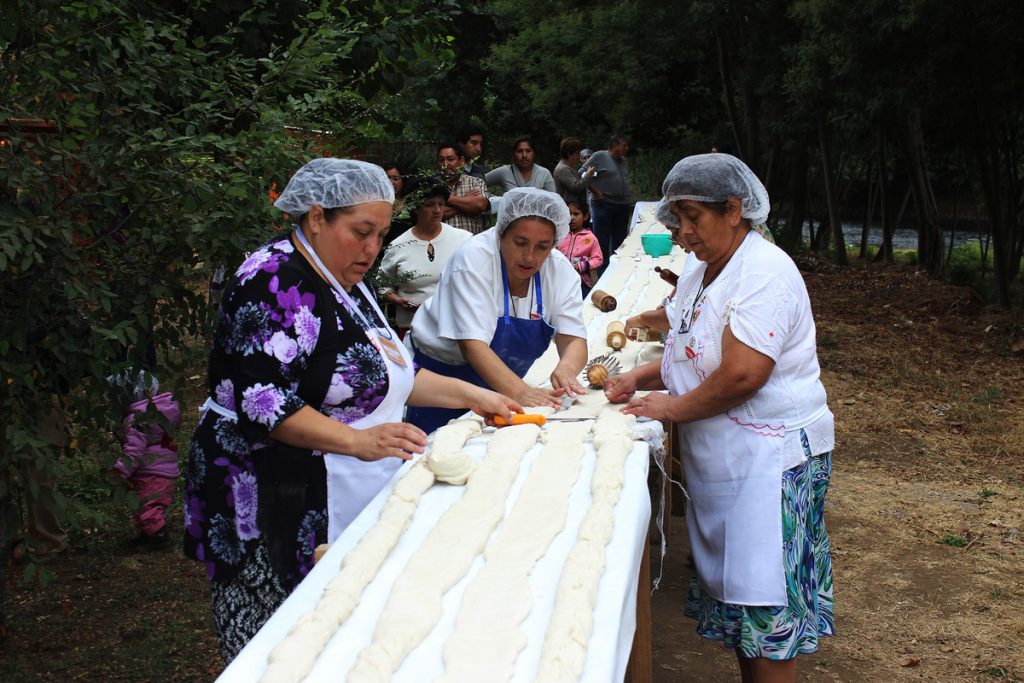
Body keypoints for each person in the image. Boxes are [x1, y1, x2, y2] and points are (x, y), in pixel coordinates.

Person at [183, 158, 518, 663]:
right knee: (279, 641)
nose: (372, 249)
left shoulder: (345, 275)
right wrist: (360, 441)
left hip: (329, 477)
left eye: (382, 235)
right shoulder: (273, 280)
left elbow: (386, 373)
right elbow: (262, 400)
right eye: (362, 232)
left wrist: (475, 396)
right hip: (266, 488)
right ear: (316, 217)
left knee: (338, 625)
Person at [604, 154, 835, 683]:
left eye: (692, 219)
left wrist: (671, 408)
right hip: (731, 461)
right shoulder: (704, 267)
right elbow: (692, 344)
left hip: (772, 463)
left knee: (766, 608)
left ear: (733, 210)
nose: (682, 234)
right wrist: (644, 378)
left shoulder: (764, 272)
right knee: (744, 606)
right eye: (676, 220)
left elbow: (741, 375)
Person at [405, 187, 589, 435]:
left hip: (502, 381)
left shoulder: (559, 271)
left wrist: (566, 368)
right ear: (500, 233)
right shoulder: (473, 259)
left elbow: (573, 337)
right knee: (437, 453)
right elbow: (473, 346)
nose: (529, 257)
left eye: (542, 247)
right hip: (442, 377)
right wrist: (521, 392)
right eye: (520, 243)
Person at [378, 176, 472, 337]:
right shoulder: (398, 246)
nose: (437, 210)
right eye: (429, 205)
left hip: (455, 326)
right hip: (412, 328)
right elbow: (382, 285)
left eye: (441, 204)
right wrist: (397, 300)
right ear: (415, 207)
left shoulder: (464, 239)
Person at [108, 370, 181, 551]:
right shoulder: (160, 412)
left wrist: (120, 470)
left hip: (151, 471)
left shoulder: (137, 420)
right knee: (145, 503)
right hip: (164, 469)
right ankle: (146, 534)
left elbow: (134, 450)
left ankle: (159, 537)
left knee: (147, 505)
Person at [583, 133, 634, 266]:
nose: (626, 148)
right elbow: (583, 174)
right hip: (603, 205)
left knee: (620, 241)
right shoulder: (600, 156)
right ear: (615, 145)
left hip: (622, 205)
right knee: (602, 242)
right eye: (624, 146)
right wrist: (596, 192)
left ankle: (617, 269)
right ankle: (602, 271)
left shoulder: (622, 161)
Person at [437, 143, 491, 234]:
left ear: (462, 161)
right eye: (441, 160)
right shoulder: (432, 185)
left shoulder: (476, 182)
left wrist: (445, 197)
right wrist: (465, 201)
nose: (445, 164)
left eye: (450, 159)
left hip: (472, 244)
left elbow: (480, 205)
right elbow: (434, 215)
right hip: (443, 246)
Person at [556, 198, 603, 297]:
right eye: (569, 214)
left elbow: (598, 259)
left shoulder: (590, 238)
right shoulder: (560, 235)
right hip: (560, 280)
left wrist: (584, 266)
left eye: (576, 214)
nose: (571, 218)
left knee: (582, 305)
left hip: (581, 282)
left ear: (585, 216)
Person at [484, 136, 556, 193]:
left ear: (534, 154)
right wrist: (498, 201)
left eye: (528, 151)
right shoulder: (504, 172)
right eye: (519, 151)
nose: (524, 155)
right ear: (513, 154)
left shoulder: (544, 173)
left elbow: (554, 201)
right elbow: (478, 183)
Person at [553, 136, 597, 205]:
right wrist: (588, 174)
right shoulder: (562, 169)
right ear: (569, 153)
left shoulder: (570, 166)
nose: (578, 156)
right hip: (568, 210)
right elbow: (576, 188)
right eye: (577, 153)